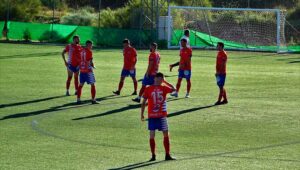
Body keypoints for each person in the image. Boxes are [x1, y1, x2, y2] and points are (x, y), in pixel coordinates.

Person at [141, 72, 176, 161]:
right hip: (161, 115)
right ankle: (166, 155)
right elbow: (174, 89)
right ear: (160, 79)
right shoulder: (164, 87)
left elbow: (144, 101)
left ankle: (153, 156)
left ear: (155, 79)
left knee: (153, 135)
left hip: (153, 116)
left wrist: (142, 113)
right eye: (162, 79)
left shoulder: (148, 89)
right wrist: (166, 82)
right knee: (165, 134)